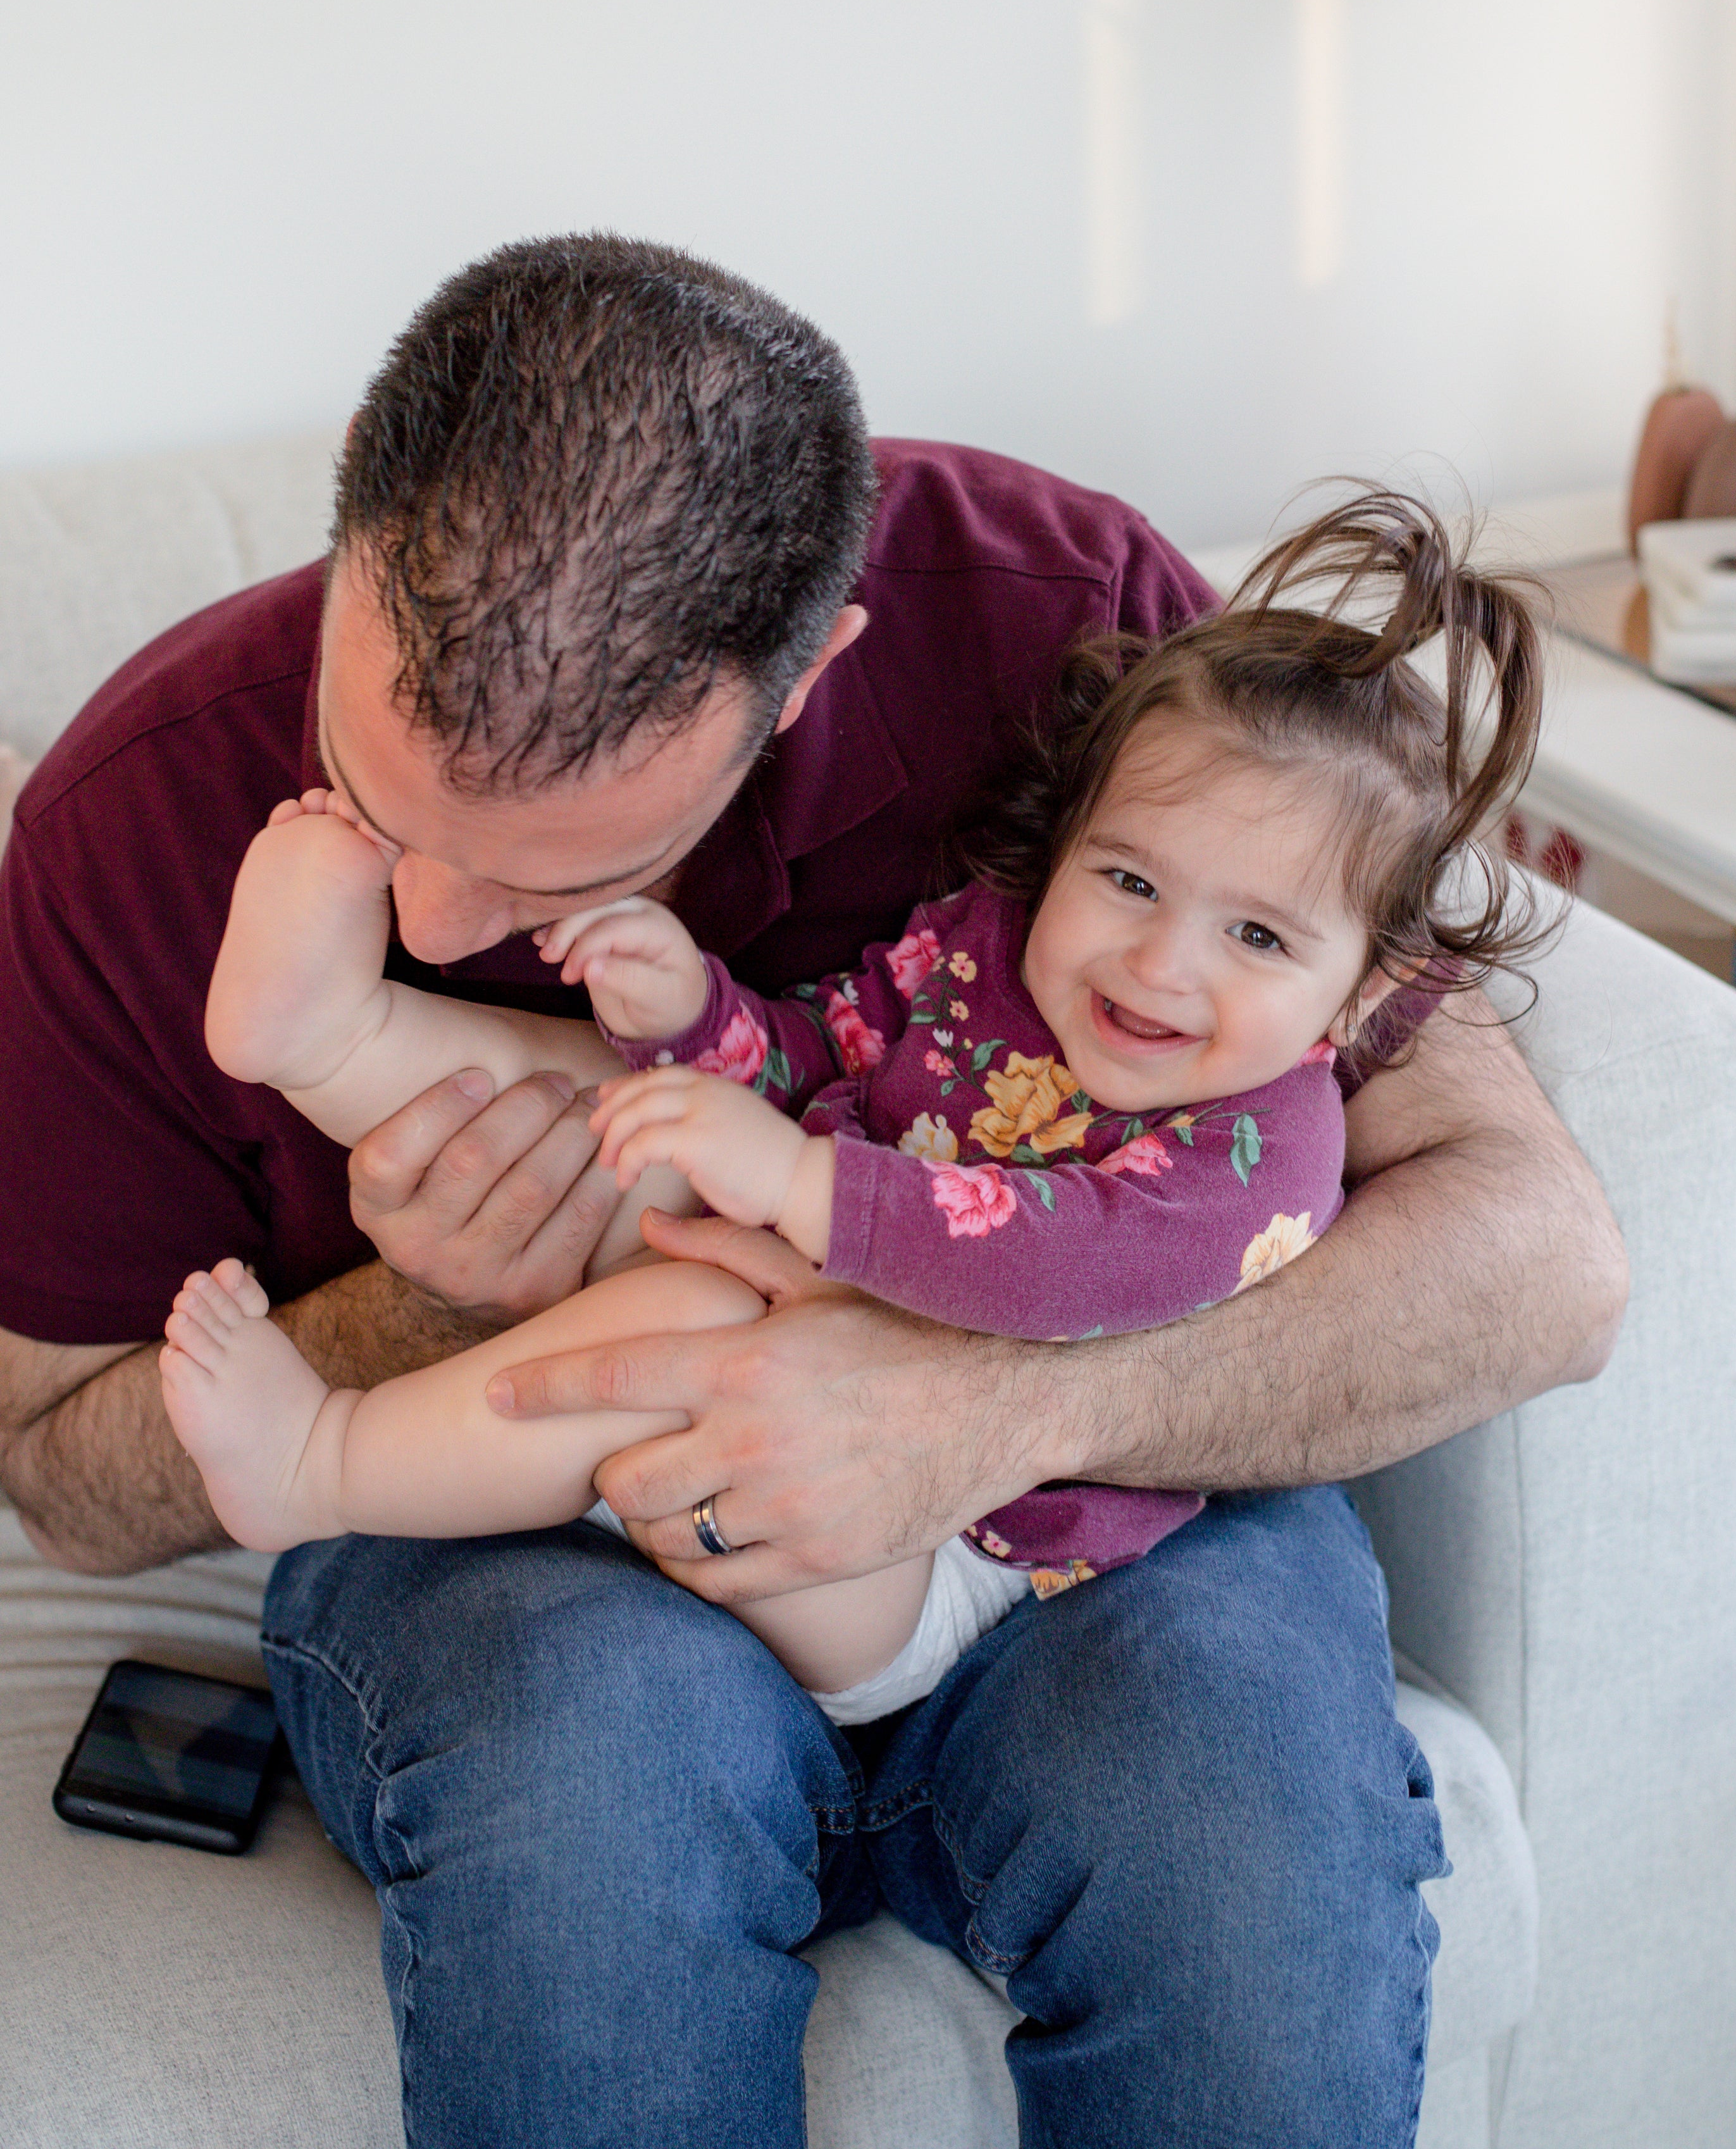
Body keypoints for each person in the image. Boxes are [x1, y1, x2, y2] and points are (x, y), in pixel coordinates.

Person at [0, 236, 1626, 2149]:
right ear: (362, 490)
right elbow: (57, 1468)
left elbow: (1543, 1261)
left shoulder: (1069, 634)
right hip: (543, 1558)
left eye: (545, 877)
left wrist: (996, 1409)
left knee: (1238, 1837)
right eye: (383, 805)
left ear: (810, 672)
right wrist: (428, 1298)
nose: (440, 925)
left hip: (1100, 1522)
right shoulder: (140, 815)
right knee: (592, 1806)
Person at [160, 493, 1548, 1745]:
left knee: (707, 1327)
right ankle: (321, 1030)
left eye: (1255, 932)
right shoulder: (992, 954)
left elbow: (1066, 1263)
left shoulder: (1266, 1143)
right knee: (620, 1105)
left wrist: (795, 1176)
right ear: (1069, 843)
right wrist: (690, 1013)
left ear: (1360, 997)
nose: (1162, 963)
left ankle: (317, 1464)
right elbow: (822, 1047)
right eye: (1129, 879)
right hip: (803, 1286)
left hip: (932, 1551)